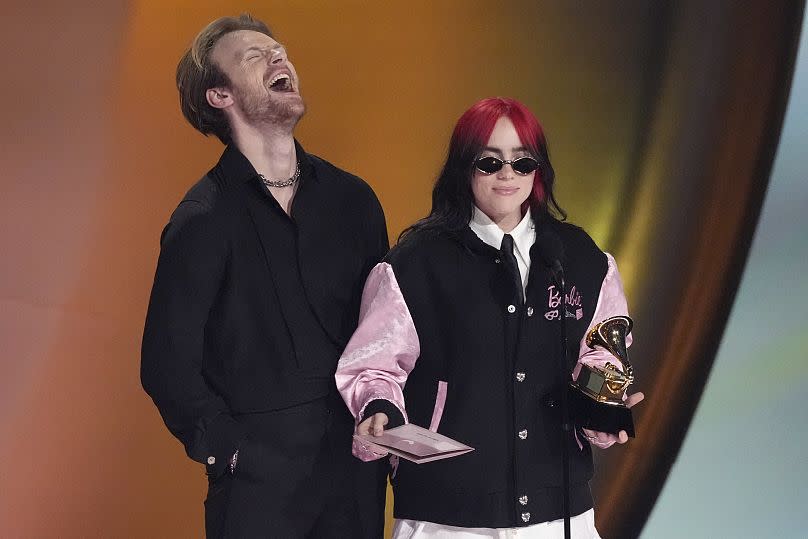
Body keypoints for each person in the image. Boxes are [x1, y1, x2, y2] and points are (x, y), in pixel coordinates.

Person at [336, 97, 644, 538]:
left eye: (523, 162)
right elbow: (375, 364)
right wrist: (379, 406)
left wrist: (603, 404)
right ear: (464, 166)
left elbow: (600, 359)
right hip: (446, 516)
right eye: (489, 162)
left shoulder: (581, 259)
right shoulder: (416, 263)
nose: (507, 175)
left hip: (557, 514)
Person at [141, 14, 388, 538]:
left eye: (279, 51)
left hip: (353, 468)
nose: (279, 58)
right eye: (254, 55)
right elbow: (166, 364)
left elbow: (385, 330)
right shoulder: (202, 219)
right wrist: (228, 451)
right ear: (219, 96)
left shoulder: (354, 201)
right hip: (258, 485)